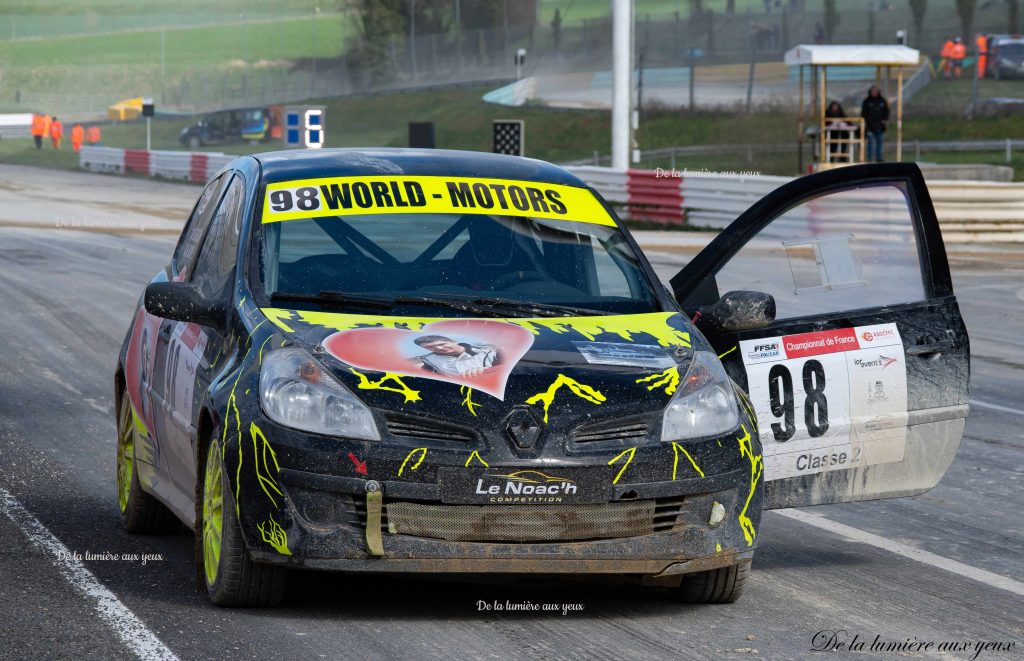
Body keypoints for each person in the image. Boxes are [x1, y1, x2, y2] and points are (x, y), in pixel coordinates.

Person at [412, 335, 497, 377]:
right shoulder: (429, 360)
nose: (439, 348)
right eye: (430, 347)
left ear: (453, 341)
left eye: (442, 344)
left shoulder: (487, 351)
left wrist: (490, 371)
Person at [861, 86, 889, 163]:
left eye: (876, 91)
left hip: (880, 126)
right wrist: (869, 122)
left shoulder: (882, 100)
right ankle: (870, 158)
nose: (874, 92)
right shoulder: (867, 101)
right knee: (870, 142)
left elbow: (886, 111)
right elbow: (864, 113)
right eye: (873, 91)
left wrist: (884, 119)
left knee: (879, 142)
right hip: (870, 126)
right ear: (870, 92)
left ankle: (879, 158)